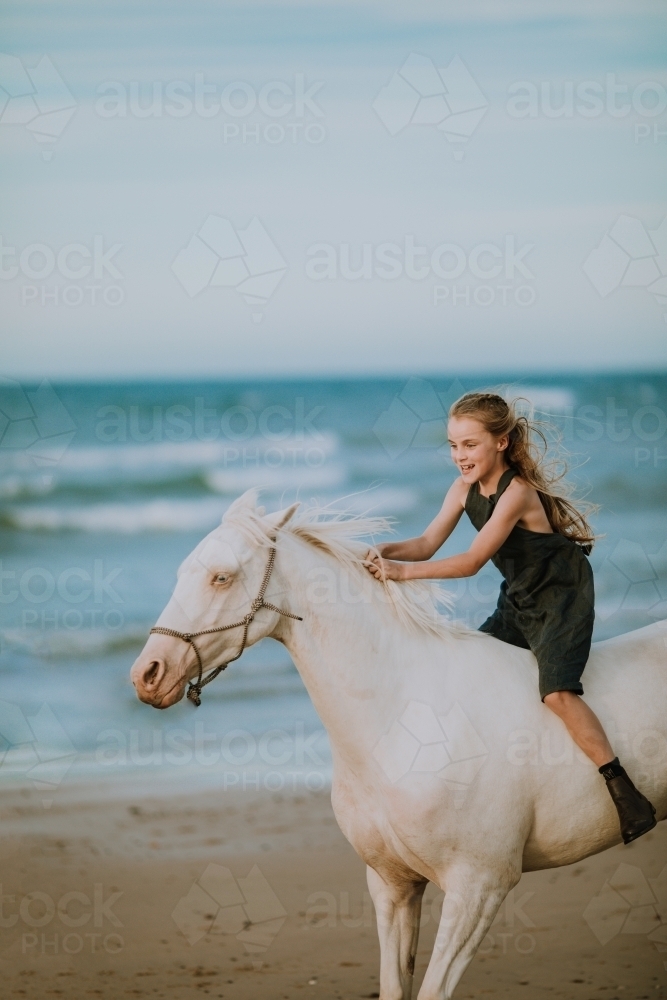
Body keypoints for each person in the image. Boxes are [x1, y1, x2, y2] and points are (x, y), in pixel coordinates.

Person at [365, 391, 656, 844]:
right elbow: (425, 543)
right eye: (453, 445)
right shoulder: (463, 489)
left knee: (556, 694)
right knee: (475, 667)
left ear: (500, 442)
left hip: (561, 596)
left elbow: (472, 561)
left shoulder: (517, 493)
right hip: (519, 596)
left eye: (470, 445)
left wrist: (400, 573)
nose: (460, 456)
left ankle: (623, 791)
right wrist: (382, 551)